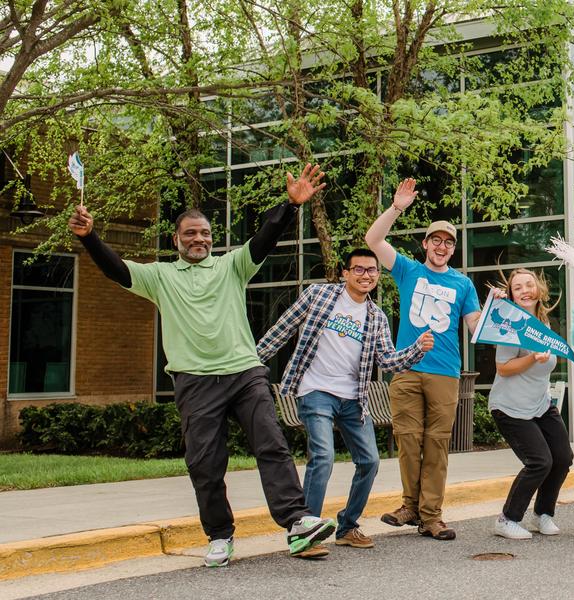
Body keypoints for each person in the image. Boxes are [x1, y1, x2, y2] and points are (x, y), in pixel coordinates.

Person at [68, 163, 337, 566]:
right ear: (176, 239)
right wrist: (90, 238)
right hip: (194, 381)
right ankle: (219, 535)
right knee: (205, 464)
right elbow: (116, 270)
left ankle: (296, 522)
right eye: (191, 233)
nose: (199, 239)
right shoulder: (160, 276)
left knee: (271, 445)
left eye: (205, 233)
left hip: (244, 372)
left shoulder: (232, 266)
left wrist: (289, 205)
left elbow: (264, 239)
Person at [256, 248, 435, 550]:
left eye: (372, 271)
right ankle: (305, 532)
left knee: (369, 461)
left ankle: (347, 527)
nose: (366, 275)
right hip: (316, 391)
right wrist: (252, 360)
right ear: (345, 273)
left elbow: (388, 361)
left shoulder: (376, 316)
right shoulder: (319, 296)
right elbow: (283, 328)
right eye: (359, 269)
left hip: (354, 399)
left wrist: (416, 348)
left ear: (378, 276)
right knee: (323, 457)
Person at [365, 178, 482, 541]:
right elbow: (373, 241)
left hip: (445, 373)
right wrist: (397, 207)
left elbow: (475, 326)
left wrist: (501, 314)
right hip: (405, 369)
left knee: (436, 445)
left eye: (448, 242)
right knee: (409, 440)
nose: (442, 246)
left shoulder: (463, 284)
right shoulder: (408, 270)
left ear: (452, 249)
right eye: (436, 240)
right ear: (426, 244)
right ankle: (410, 505)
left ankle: (431, 516)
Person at [486, 269, 574, 540]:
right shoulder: (511, 324)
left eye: (529, 285)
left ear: (538, 291)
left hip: (540, 404)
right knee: (539, 461)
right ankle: (507, 519)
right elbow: (503, 368)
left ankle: (542, 515)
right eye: (517, 287)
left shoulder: (543, 325)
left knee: (562, 458)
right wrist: (531, 358)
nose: (525, 290)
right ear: (511, 295)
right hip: (510, 407)